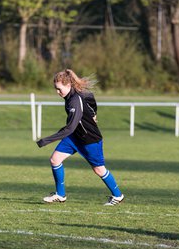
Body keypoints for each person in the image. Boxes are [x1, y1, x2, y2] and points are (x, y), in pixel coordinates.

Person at [36, 69, 124, 206]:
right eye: (55, 89)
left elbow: (69, 127)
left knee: (99, 169)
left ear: (68, 85)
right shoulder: (73, 95)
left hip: (89, 139)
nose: (57, 92)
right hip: (75, 137)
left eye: (59, 89)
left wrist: (46, 140)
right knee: (55, 159)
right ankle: (60, 194)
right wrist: (93, 113)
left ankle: (118, 196)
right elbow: (91, 97)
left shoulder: (74, 101)